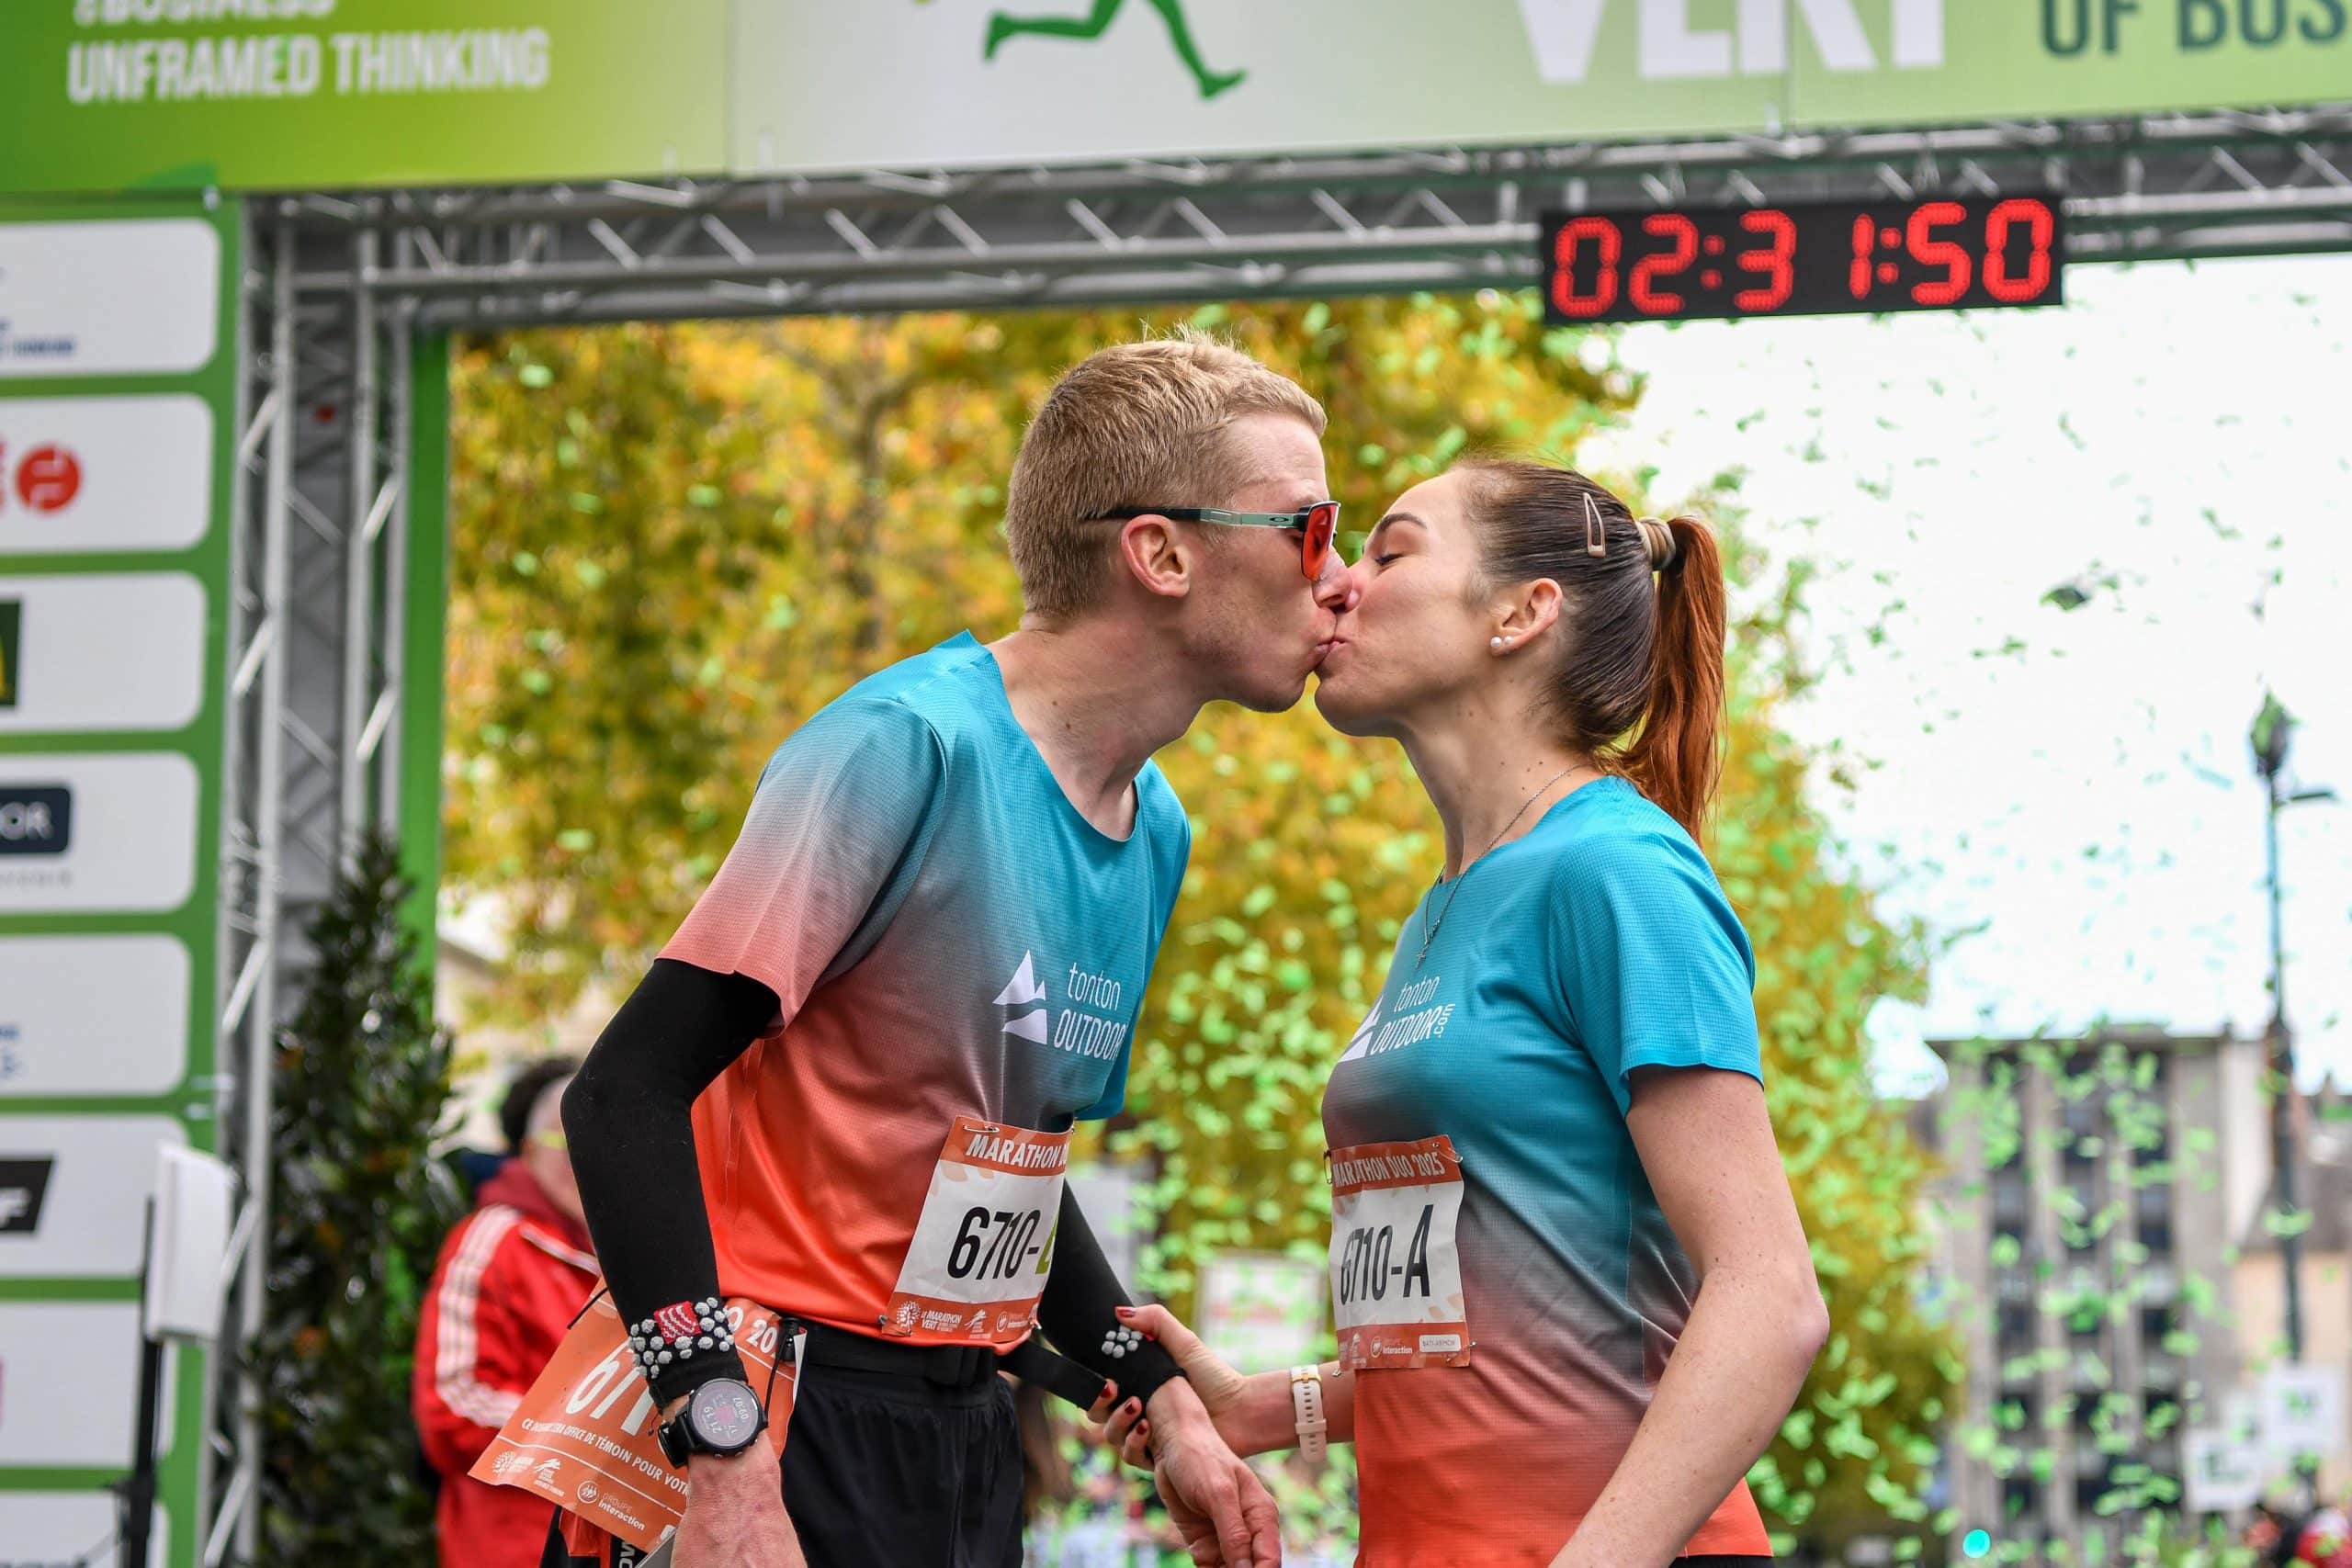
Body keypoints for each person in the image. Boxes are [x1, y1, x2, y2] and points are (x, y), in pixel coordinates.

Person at [550, 333, 1352, 1568]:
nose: (1341, 578)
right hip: (772, 1410)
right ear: (1160, 551)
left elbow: (1009, 1173)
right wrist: (718, 1443)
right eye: (1310, 527)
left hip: (964, 1421)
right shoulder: (899, 746)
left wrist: (1163, 1387)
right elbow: (620, 1093)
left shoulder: (1157, 826)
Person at [1107, 460, 1829, 1567]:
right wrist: (1267, 1405)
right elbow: (1511, 1331)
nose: (1339, 581)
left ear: (1519, 614)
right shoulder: (1446, 906)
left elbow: (1768, 1296)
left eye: (1391, 551)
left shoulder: (1617, 870)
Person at [415, 1057, 600, 1568]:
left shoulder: (632, 1252)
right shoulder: (496, 1240)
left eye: (600, 1134)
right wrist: (594, 1437)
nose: (582, 1155)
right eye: (563, 1140)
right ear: (526, 1149)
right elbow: (451, 1408)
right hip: (511, 1548)